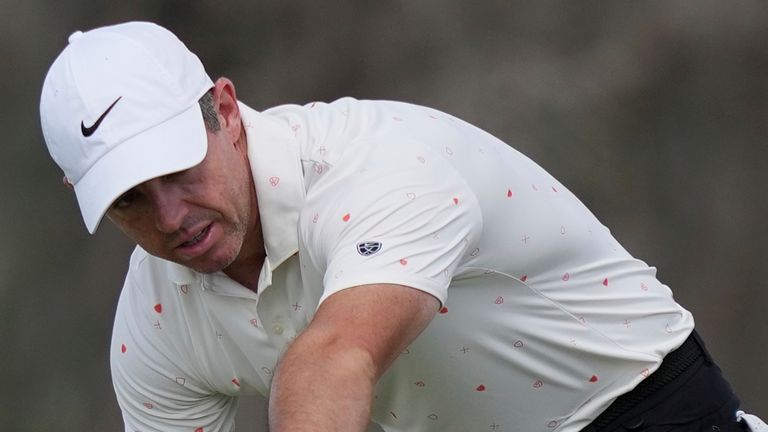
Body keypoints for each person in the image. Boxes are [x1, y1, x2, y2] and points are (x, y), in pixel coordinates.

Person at [39, 21, 764, 432]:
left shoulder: (374, 165)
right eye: (130, 200)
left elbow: (335, 356)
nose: (171, 217)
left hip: (639, 414)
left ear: (225, 111)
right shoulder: (154, 325)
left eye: (179, 170)